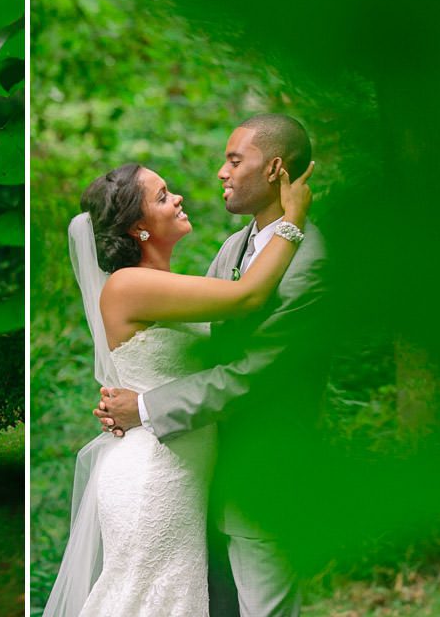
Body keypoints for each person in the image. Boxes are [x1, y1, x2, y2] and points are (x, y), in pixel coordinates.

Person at [44, 118, 315, 616]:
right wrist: (292, 224)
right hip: (155, 474)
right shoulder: (131, 284)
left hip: (194, 467)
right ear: (138, 225)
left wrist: (140, 402)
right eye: (163, 195)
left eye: (234, 161)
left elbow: (239, 344)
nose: (181, 197)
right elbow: (247, 296)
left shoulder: (196, 271)